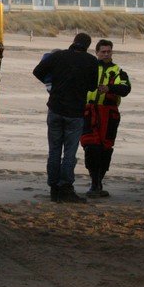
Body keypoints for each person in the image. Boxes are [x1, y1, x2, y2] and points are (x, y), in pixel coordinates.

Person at [32, 32, 98, 203]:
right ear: (87, 46)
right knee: (69, 152)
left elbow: (37, 71)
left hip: (55, 108)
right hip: (75, 112)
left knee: (54, 150)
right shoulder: (90, 61)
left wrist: (53, 85)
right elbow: (92, 86)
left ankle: (54, 188)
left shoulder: (58, 55)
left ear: (73, 42)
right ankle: (66, 187)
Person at [81, 39, 131, 198]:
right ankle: (94, 181)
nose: (106, 54)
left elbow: (125, 89)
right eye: (103, 51)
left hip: (109, 113)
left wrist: (109, 88)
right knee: (90, 146)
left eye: (109, 51)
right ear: (96, 53)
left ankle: (98, 181)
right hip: (89, 111)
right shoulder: (88, 68)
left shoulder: (118, 71)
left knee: (106, 148)